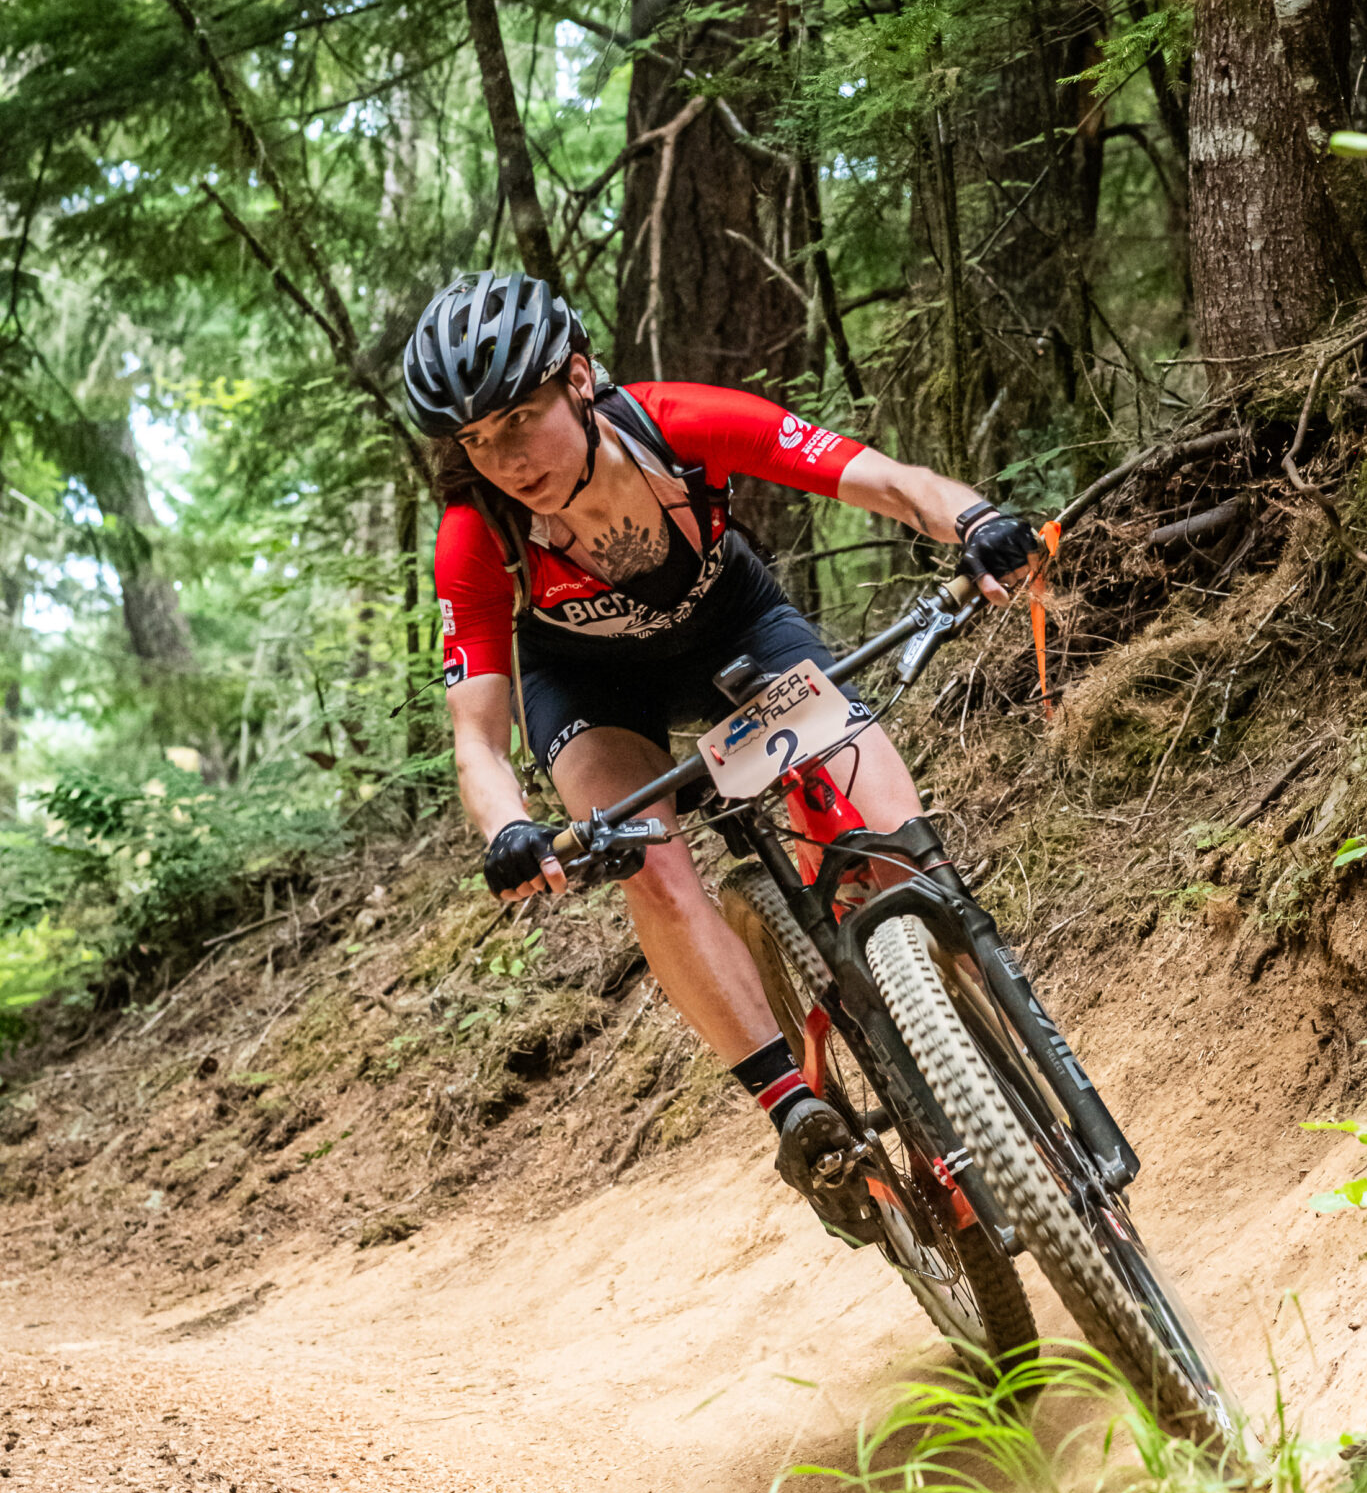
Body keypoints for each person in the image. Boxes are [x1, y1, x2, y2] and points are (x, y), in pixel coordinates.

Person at [406, 269, 1039, 1240]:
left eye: (519, 417)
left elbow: (884, 479)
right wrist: (512, 832)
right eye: (477, 439)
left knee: (894, 844)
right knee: (648, 861)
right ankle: (796, 1111)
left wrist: (976, 521)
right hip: (592, 692)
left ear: (576, 378)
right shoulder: (474, 537)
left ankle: (952, 1018)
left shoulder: (678, 422)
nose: (505, 457)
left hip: (737, 631)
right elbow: (476, 736)